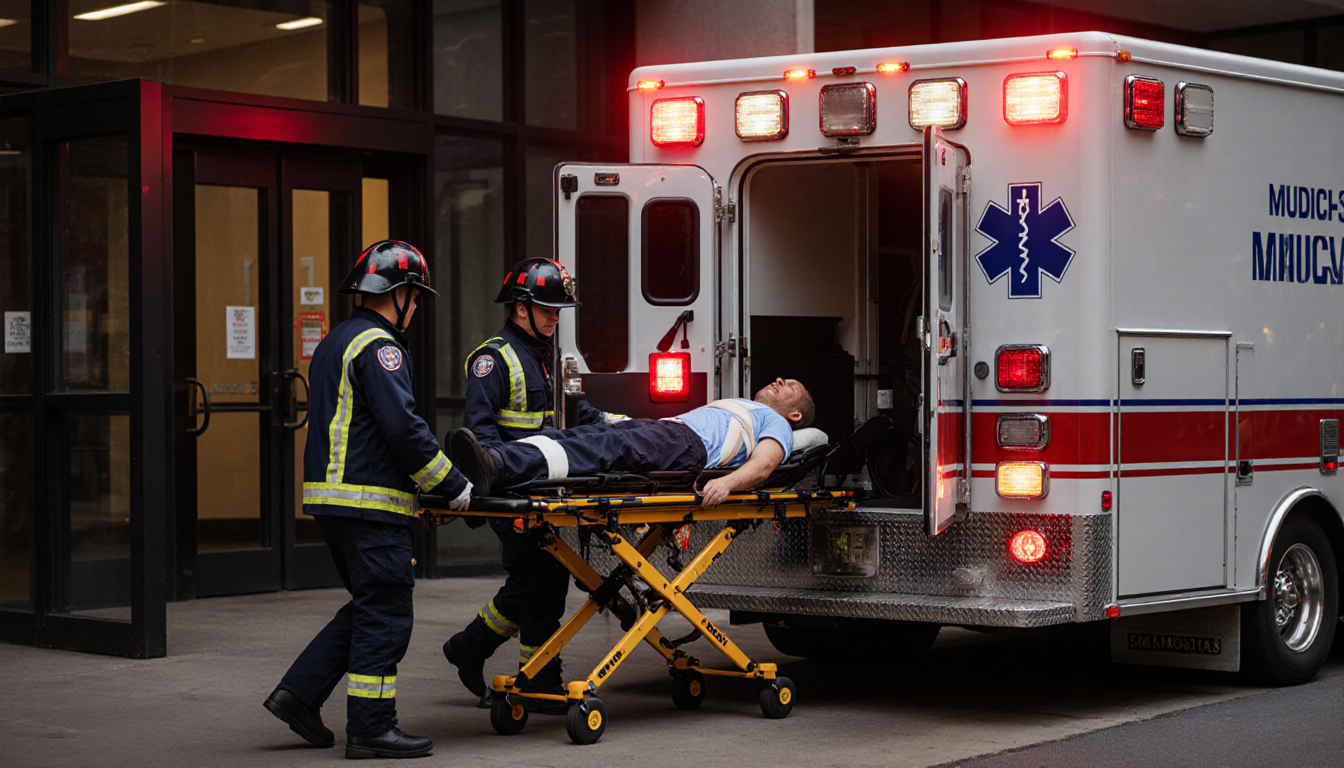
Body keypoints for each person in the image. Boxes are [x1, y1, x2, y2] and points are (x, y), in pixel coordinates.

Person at [263, 240, 471, 760]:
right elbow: (403, 428)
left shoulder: (338, 339)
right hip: (369, 504)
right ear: (397, 293)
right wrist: (452, 485)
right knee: (388, 613)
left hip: (336, 503)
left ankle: (298, 695)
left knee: (370, 604)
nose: (418, 306)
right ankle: (372, 727)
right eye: (416, 296)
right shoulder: (383, 346)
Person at [443, 258, 626, 710]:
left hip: (548, 493)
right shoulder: (493, 360)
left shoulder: (554, 359)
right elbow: (479, 438)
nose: (555, 317)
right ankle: (538, 676)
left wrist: (623, 426)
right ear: (520, 308)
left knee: (541, 581)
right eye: (547, 309)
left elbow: (580, 415)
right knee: (538, 580)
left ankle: (477, 649)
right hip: (512, 494)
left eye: (559, 310)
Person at [450, 378, 816, 506]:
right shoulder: (748, 406)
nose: (780, 381)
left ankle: (498, 467)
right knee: (577, 437)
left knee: (597, 450)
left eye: (791, 388)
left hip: (685, 445)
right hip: (669, 432)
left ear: (795, 415)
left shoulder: (777, 424)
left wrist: (726, 483)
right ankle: (491, 463)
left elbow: (766, 464)